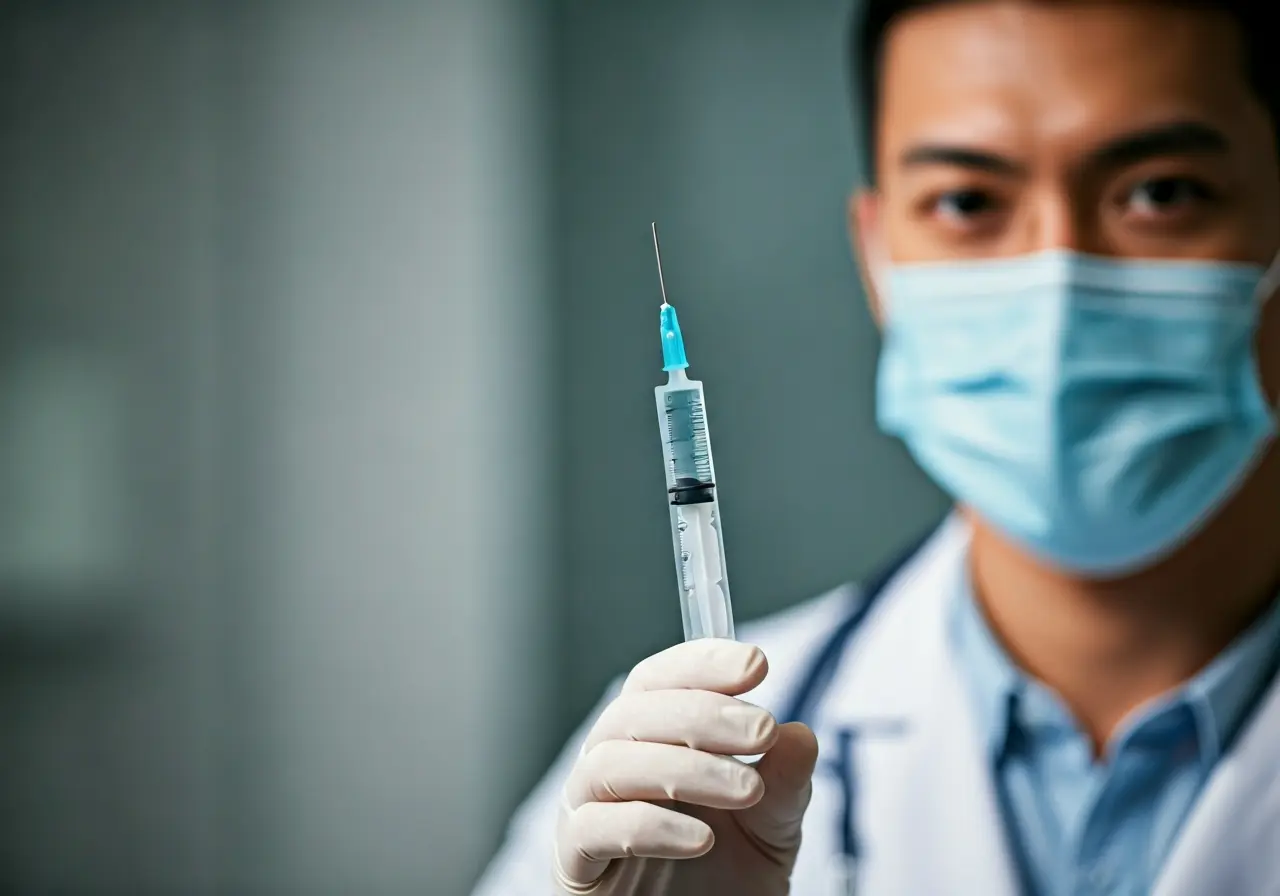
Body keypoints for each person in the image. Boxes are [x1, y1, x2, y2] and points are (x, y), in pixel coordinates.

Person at [472, 1, 1280, 893]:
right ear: (878, 257)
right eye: (967, 201)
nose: (1056, 276)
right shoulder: (657, 783)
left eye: (1160, 192)